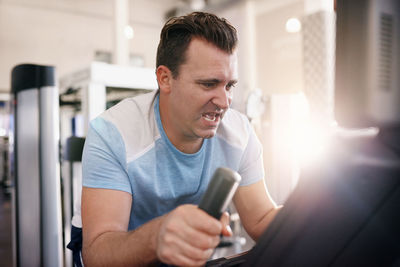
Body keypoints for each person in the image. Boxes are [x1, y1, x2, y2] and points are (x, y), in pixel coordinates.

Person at [71, 11, 281, 267]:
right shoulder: (113, 133)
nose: (224, 102)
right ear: (165, 78)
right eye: (208, 84)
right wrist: (156, 236)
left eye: (229, 86)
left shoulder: (239, 133)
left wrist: (320, 214)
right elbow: (98, 254)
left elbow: (262, 219)